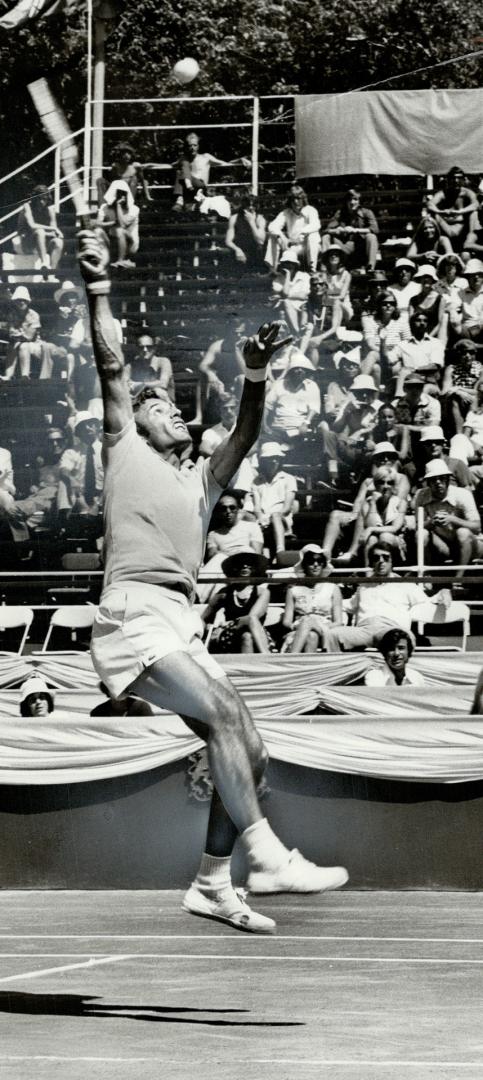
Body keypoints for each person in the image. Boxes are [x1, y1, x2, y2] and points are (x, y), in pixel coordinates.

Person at [78, 226, 348, 934]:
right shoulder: (123, 448)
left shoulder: (200, 482)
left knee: (250, 753)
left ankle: (209, 882)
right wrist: (98, 285)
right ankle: (264, 857)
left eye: (171, 403)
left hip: (181, 621)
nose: (168, 406)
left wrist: (255, 375)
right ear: (132, 421)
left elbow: (245, 433)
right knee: (227, 722)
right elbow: (111, 364)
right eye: (155, 404)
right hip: (132, 613)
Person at [318, 541, 453, 653]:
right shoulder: (364, 586)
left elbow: (427, 602)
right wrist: (322, 602)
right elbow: (348, 605)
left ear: (392, 561)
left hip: (391, 628)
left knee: (397, 639)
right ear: (372, 562)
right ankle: (338, 676)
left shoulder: (405, 585)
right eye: (376, 558)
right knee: (332, 635)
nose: (381, 561)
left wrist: (444, 591)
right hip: (363, 630)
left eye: (385, 557)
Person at [414, 459, 483, 580]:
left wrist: (453, 519)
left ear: (448, 479)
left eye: (442, 478)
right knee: (421, 533)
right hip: (443, 545)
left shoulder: (463, 494)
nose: (438, 482)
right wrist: (432, 522)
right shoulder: (422, 496)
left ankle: (458, 580)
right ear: (428, 483)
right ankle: (425, 576)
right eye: (433, 480)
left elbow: (477, 526)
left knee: (463, 532)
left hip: (472, 546)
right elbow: (418, 526)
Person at [203, 550, 273, 654]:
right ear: (235, 568)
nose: (244, 566)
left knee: (247, 636)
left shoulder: (262, 592)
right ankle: (267, 655)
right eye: (240, 564)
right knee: (249, 623)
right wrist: (206, 633)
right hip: (230, 634)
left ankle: (252, 667)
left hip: (256, 636)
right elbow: (204, 617)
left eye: (249, 564)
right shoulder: (224, 593)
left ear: (254, 568)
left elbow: (254, 617)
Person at [282, 546, 343, 653]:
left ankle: (291, 657)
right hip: (299, 628)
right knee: (311, 636)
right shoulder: (293, 589)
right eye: (311, 561)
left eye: (319, 561)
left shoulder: (333, 588)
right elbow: (286, 621)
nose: (315, 564)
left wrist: (319, 626)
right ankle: (307, 668)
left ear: (323, 565)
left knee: (308, 622)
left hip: (324, 628)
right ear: (304, 565)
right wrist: (300, 627)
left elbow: (338, 621)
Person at [322, 188, 379, 271]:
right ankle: (326, 266)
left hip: (360, 246)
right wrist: (337, 230)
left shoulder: (366, 212)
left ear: (359, 201)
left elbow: (375, 229)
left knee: (371, 237)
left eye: (355, 199)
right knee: (326, 237)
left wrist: (355, 230)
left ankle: (370, 267)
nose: (352, 202)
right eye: (349, 200)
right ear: (346, 201)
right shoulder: (340, 213)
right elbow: (327, 230)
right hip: (344, 245)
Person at [17, 184, 64, 275]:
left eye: (45, 199)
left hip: (42, 242)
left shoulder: (50, 210)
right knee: (40, 231)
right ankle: (44, 263)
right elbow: (32, 225)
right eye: (40, 199)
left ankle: (51, 272)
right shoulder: (27, 207)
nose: (42, 202)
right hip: (26, 243)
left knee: (58, 242)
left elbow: (53, 233)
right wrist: (53, 229)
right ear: (35, 198)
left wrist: (53, 231)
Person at [225, 192, 267, 270]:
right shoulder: (234, 218)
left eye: (253, 205)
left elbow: (260, 241)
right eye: (248, 205)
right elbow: (228, 241)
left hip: (255, 252)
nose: (251, 208)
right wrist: (237, 249)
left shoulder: (260, 219)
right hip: (239, 249)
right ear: (243, 206)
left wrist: (252, 222)